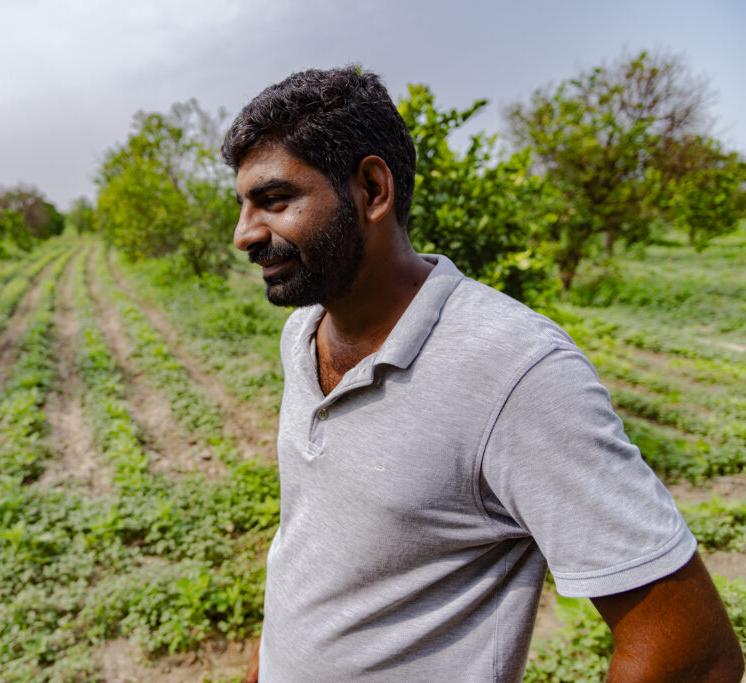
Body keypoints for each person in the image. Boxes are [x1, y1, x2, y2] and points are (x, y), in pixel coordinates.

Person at [221, 66, 743, 682]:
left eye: (275, 201)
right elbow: (307, 545)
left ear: (371, 189)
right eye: (243, 204)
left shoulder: (517, 371)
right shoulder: (301, 331)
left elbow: (693, 652)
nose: (243, 235)